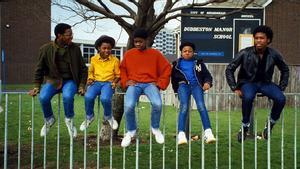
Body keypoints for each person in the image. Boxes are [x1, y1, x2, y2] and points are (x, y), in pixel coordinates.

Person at [225, 25, 289, 142]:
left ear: (268, 40)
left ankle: (270, 124)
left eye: (262, 38)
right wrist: (235, 87)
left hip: (265, 83)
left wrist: (281, 87)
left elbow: (285, 69)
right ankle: (244, 126)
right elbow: (230, 69)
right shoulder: (245, 52)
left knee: (281, 99)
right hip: (248, 83)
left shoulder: (274, 54)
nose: (258, 41)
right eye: (256, 38)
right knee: (248, 97)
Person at [29, 23, 88, 138]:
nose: (71, 37)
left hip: (70, 80)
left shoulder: (75, 49)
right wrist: (37, 86)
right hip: (53, 80)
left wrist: (81, 85)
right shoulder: (46, 49)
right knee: (43, 97)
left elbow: (83, 69)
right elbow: (39, 69)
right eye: (68, 35)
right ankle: (49, 119)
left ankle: (69, 120)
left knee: (67, 97)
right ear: (59, 35)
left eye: (72, 34)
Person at [120, 28, 171, 147]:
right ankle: (131, 130)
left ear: (146, 40)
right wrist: (126, 81)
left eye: (140, 41)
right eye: (135, 42)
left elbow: (167, 68)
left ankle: (155, 128)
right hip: (135, 84)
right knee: (128, 106)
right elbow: (122, 69)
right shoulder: (129, 54)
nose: (138, 44)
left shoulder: (155, 54)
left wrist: (159, 83)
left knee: (157, 104)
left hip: (150, 84)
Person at [171, 42, 216, 145]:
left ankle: (208, 132)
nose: (187, 53)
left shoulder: (199, 63)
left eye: (190, 51)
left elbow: (207, 75)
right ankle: (181, 134)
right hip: (183, 86)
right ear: (181, 52)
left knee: (201, 106)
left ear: (193, 52)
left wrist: (207, 83)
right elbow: (173, 79)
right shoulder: (176, 64)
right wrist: (176, 91)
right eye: (185, 51)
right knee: (184, 107)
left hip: (196, 86)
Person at [79, 35, 119, 131]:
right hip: (96, 82)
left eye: (109, 48)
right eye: (104, 48)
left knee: (105, 98)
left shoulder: (115, 60)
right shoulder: (93, 59)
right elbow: (91, 72)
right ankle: (89, 116)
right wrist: (90, 79)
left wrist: (114, 82)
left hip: (108, 83)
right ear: (99, 48)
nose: (107, 50)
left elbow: (118, 75)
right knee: (88, 96)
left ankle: (108, 116)